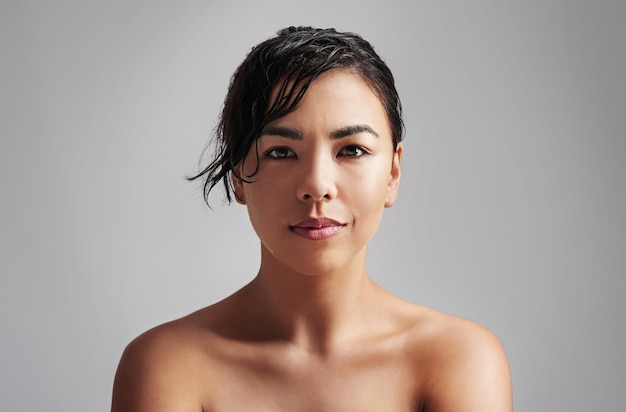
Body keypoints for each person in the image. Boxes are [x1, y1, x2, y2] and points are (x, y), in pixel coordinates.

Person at [111, 26, 512, 411]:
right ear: (238, 176)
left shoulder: (459, 360)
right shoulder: (167, 367)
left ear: (393, 173)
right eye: (281, 152)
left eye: (352, 150)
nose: (317, 186)